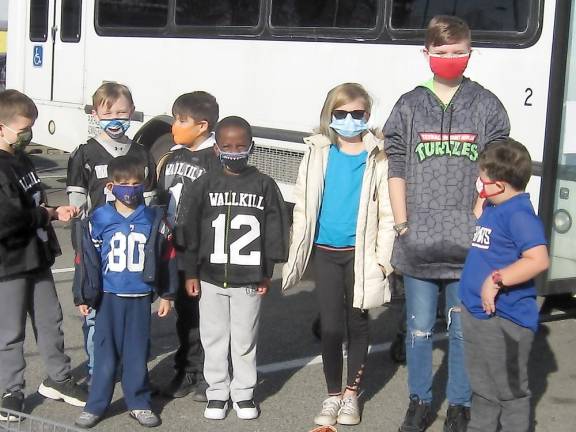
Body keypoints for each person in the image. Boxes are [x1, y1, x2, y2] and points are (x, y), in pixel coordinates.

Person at [383, 15, 510, 432]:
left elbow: (497, 166)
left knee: (461, 330)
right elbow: (396, 163)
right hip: (418, 240)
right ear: (427, 54)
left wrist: (478, 215)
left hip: (466, 244)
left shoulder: (486, 104)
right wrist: (403, 224)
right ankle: (419, 401)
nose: (451, 59)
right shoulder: (409, 104)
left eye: (458, 52)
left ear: (470, 52)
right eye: (442, 53)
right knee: (418, 331)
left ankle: (459, 404)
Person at [282, 82, 395, 427]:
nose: (349, 120)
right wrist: (298, 246)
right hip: (326, 253)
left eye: (357, 114)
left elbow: (388, 214)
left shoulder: (378, 156)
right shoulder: (318, 151)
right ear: (330, 116)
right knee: (331, 328)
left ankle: (351, 394)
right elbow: (303, 204)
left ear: (368, 115)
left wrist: (382, 258)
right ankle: (332, 395)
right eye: (341, 114)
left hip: (360, 255)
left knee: (357, 324)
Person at [178, 116, 289, 421]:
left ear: (252, 146)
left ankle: (243, 392)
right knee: (213, 337)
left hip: (249, 278)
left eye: (241, 146)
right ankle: (216, 392)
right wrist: (190, 272)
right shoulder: (203, 185)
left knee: (244, 339)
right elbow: (188, 232)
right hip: (210, 276)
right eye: (227, 145)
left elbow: (275, 230)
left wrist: (267, 271)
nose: (234, 151)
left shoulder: (264, 185)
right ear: (216, 147)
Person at [0, 89, 87, 421]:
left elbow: (32, 203)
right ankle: (11, 390)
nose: (28, 135)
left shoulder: (22, 159)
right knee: (10, 332)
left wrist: (52, 209)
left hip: (37, 258)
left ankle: (59, 378)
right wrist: (48, 215)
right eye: (22, 129)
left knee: (51, 319)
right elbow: (8, 218)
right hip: (9, 263)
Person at [73, 155, 176, 429]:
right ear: (111, 185)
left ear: (144, 184)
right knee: (104, 354)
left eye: (135, 183)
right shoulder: (99, 217)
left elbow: (166, 257)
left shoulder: (154, 218)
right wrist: (83, 295)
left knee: (136, 352)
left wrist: (167, 294)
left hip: (140, 296)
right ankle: (96, 404)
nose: (130, 189)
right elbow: (86, 258)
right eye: (124, 183)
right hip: (108, 296)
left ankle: (139, 402)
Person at [66, 82, 157, 383]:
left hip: (132, 248)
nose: (116, 119)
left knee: (133, 311)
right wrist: (82, 243)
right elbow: (77, 203)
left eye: (122, 112)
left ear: (132, 112)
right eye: (108, 113)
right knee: (95, 309)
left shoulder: (143, 154)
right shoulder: (84, 154)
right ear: (95, 114)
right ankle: (97, 368)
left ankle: (132, 367)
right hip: (97, 247)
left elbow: (152, 202)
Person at [460, 139, 549, 432]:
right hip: (478, 315)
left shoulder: (520, 215)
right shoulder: (494, 206)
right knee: (483, 389)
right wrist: (482, 197)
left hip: (506, 320)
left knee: (510, 393)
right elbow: (478, 222)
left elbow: (537, 259)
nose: (478, 185)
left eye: (483, 181)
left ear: (499, 185)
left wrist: (496, 279)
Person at [156, 91, 220, 401]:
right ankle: (188, 369)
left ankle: (212, 373)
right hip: (175, 250)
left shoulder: (216, 160)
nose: (174, 126)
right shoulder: (173, 155)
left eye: (182, 121)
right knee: (186, 315)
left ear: (203, 126)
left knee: (208, 316)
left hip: (203, 253)